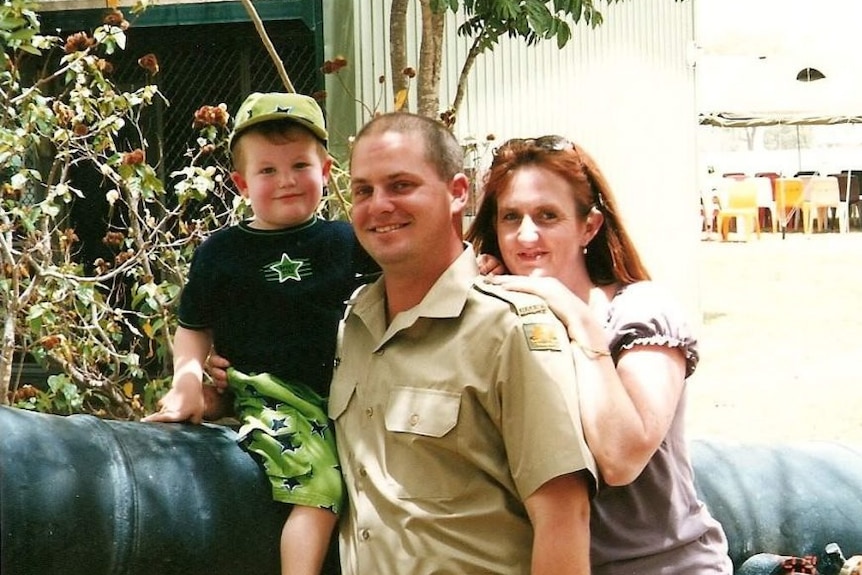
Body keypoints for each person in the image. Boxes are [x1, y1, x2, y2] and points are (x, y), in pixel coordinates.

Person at [327, 113, 596, 575]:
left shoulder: (509, 330)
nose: (379, 205)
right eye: (364, 190)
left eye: (401, 185)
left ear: (457, 192)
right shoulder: (355, 323)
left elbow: (564, 517)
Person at [464, 135, 732, 575]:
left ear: (589, 226)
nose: (526, 234)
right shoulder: (500, 315)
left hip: (662, 565)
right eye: (511, 217)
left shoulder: (640, 311)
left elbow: (621, 457)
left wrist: (577, 316)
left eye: (547, 216)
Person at [143, 92, 378, 575]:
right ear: (241, 183)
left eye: (299, 165)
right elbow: (194, 327)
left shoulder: (348, 241)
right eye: (267, 171)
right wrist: (186, 383)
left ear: (327, 169)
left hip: (349, 395)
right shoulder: (222, 252)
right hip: (274, 394)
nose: (287, 180)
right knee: (322, 491)